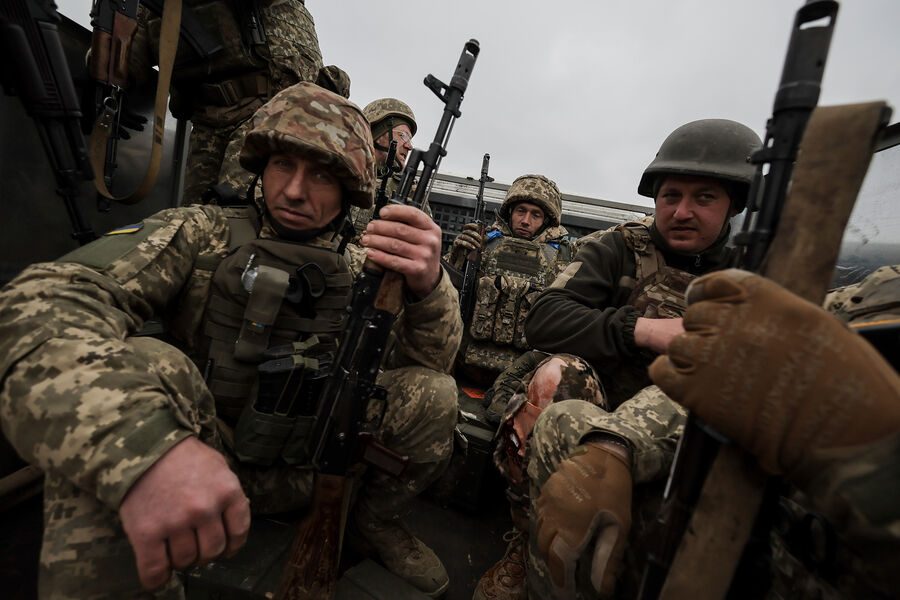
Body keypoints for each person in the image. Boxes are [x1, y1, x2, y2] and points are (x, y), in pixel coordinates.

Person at [0, 82, 460, 598]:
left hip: (316, 465)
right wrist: (148, 449)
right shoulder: (204, 232)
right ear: (261, 166)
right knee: (149, 365)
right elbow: (42, 301)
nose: (294, 191)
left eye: (321, 175)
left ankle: (373, 524)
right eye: (283, 164)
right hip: (201, 459)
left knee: (434, 395)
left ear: (350, 189)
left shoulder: (366, 269)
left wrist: (430, 286)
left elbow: (429, 361)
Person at [471, 119, 763, 600]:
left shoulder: (750, 275)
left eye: (704, 198)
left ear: (734, 205)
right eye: (671, 196)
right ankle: (530, 539)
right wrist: (642, 330)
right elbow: (545, 319)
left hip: (685, 427)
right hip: (596, 407)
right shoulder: (620, 248)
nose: (682, 211)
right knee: (555, 375)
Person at [643, 268, 900, 598]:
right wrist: (619, 441)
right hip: (751, 533)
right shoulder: (880, 289)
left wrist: (873, 448)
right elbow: (735, 374)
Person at [127, 0, 350, 205]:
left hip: (266, 110)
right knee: (194, 215)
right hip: (207, 119)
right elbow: (133, 59)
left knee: (240, 212)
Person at [444, 174, 574, 386]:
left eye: (536, 215)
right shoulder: (481, 245)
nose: (525, 220)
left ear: (547, 221)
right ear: (510, 211)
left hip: (522, 380)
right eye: (521, 211)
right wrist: (457, 259)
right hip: (463, 367)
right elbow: (438, 294)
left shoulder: (563, 260)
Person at [348, 98, 418, 236]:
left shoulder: (407, 190)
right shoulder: (342, 173)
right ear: (377, 134)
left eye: (410, 139)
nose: (409, 146)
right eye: (403, 136)